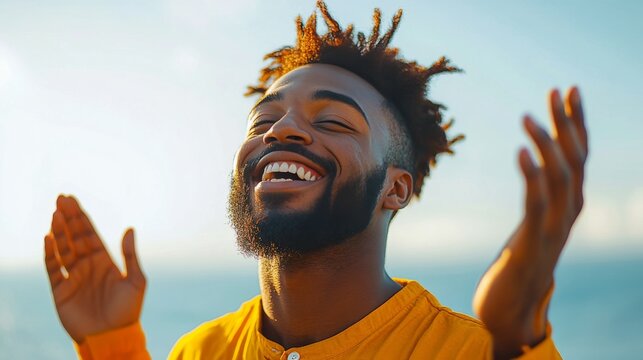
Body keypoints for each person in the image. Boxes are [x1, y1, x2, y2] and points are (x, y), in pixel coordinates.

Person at [44, 1, 588, 359]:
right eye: (264, 120)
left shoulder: (464, 351)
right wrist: (112, 344)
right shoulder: (200, 350)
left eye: (331, 121)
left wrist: (518, 335)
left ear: (395, 188)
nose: (282, 130)